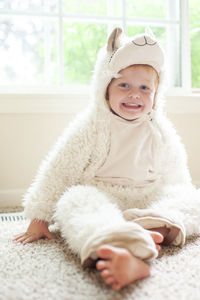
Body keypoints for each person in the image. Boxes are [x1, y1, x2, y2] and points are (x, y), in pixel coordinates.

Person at [14, 27, 200, 291]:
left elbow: (176, 175)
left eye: (145, 88)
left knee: (193, 199)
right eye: (124, 85)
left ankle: (151, 231)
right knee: (74, 200)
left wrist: (179, 203)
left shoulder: (160, 130)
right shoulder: (91, 126)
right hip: (103, 199)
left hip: (148, 204)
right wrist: (39, 216)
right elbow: (59, 170)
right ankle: (117, 242)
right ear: (105, 88)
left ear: (156, 95)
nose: (134, 94)